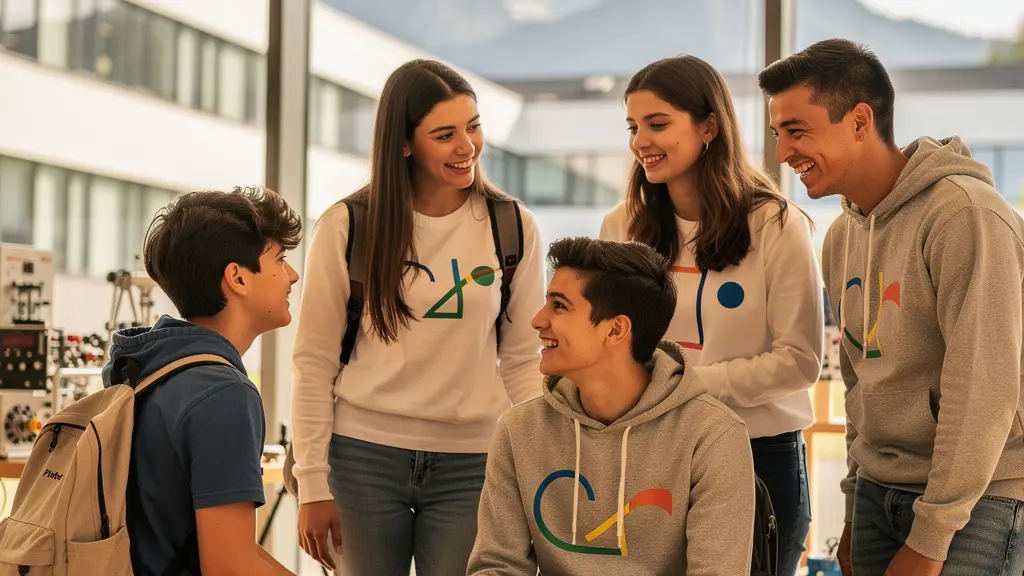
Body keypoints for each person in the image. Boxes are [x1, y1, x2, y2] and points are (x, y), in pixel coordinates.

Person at [759, 38, 1024, 576]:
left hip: (978, 500)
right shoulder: (840, 236)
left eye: (797, 131)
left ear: (860, 121)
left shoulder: (963, 216)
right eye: (777, 134)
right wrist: (854, 505)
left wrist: (932, 537)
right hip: (877, 495)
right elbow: (859, 382)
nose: (782, 153)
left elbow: (984, 388)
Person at [289, 59, 546, 575]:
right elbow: (314, 361)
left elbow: (522, 360)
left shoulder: (513, 226)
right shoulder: (348, 226)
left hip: (474, 463)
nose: (467, 146)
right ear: (404, 144)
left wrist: (539, 460)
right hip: (361, 459)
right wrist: (311, 481)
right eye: (445, 135)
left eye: (473, 126)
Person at [599, 55, 823, 576]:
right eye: (633, 127)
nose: (640, 142)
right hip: (650, 454)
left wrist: (684, 386)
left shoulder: (777, 225)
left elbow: (799, 361)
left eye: (658, 124)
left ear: (709, 127)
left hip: (758, 456)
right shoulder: (621, 225)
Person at [467, 236, 755, 575]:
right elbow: (498, 565)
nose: (538, 320)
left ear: (616, 330)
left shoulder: (714, 436)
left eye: (559, 306)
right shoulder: (519, 430)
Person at [103, 187, 301, 575]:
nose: (292, 275)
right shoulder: (223, 394)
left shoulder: (147, 370)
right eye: (280, 259)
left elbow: (228, 543)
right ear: (237, 277)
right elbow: (229, 567)